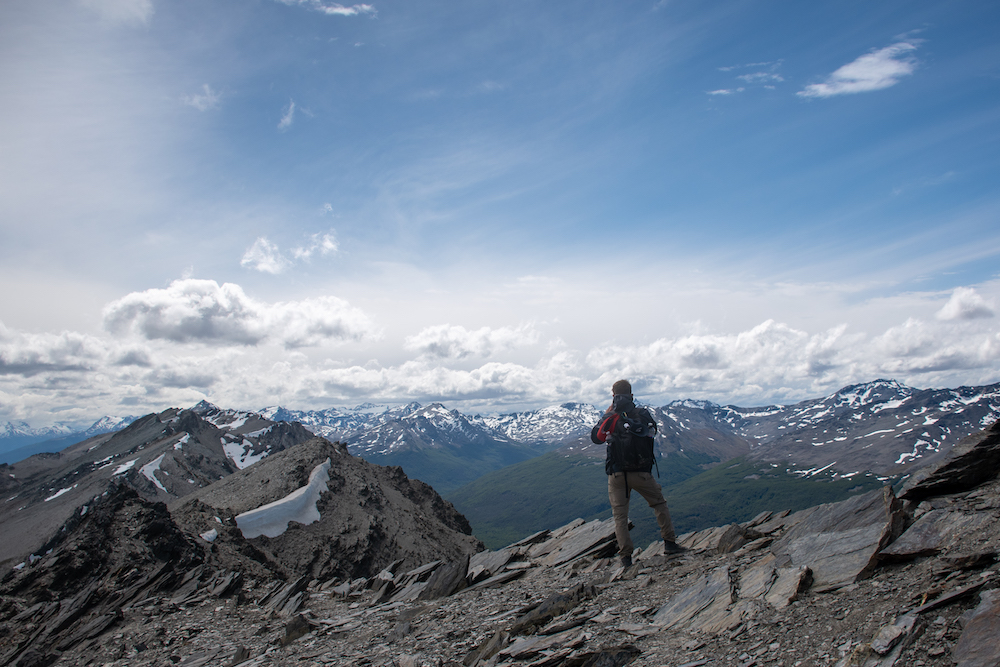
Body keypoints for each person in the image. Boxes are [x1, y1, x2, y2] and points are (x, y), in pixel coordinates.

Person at [591, 379, 684, 567]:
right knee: (659, 504)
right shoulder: (642, 414)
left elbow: (596, 438)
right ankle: (670, 543)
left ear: (613, 395)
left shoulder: (610, 417)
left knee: (620, 516)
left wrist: (608, 413)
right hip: (641, 473)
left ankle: (625, 558)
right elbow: (652, 432)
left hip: (617, 475)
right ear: (632, 395)